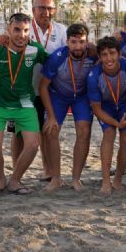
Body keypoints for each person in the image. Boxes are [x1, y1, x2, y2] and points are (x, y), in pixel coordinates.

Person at [0, 13, 49, 196]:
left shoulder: (35, 49)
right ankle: (0, 179)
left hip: (24, 103)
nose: (21, 35)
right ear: (8, 30)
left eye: (25, 31)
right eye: (16, 30)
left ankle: (15, 180)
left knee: (32, 145)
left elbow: (54, 62)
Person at [9, 0, 67, 181]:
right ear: (33, 10)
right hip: (23, 90)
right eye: (41, 7)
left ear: (55, 10)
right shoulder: (24, 28)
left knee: (47, 130)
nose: (46, 12)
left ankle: (48, 170)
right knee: (18, 133)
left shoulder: (61, 30)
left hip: (49, 90)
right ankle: (17, 172)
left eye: (50, 8)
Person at [40, 23, 96, 191]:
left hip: (82, 97)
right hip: (58, 96)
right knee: (51, 130)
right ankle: (56, 178)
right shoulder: (57, 57)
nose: (78, 46)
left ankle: (76, 178)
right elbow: (43, 87)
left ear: (87, 42)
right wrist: (50, 116)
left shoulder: (93, 55)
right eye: (73, 42)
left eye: (81, 42)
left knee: (84, 132)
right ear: (67, 42)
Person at [87, 36, 126, 195]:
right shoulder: (94, 75)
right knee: (109, 133)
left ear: (119, 54)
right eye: (104, 54)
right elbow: (97, 109)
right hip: (106, 106)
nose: (109, 58)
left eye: (112, 53)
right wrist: (115, 122)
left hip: (124, 104)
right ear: (99, 58)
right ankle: (106, 181)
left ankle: (118, 179)